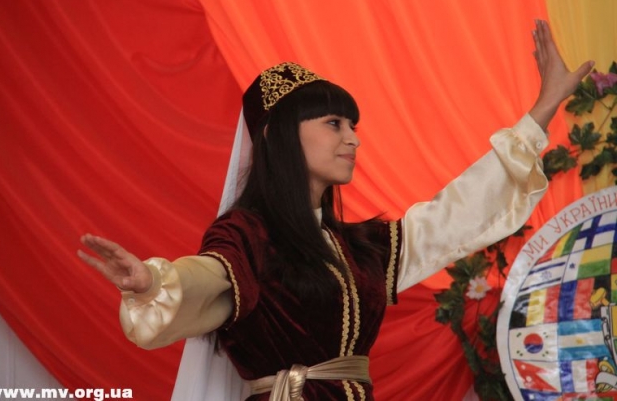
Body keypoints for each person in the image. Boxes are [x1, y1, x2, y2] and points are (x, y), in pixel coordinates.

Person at [78, 20, 593, 401]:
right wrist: (152, 283)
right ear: (279, 136)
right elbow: (208, 276)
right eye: (334, 124)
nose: (353, 139)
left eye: (352, 126)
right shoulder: (248, 234)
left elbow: (456, 213)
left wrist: (541, 110)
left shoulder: (360, 250)